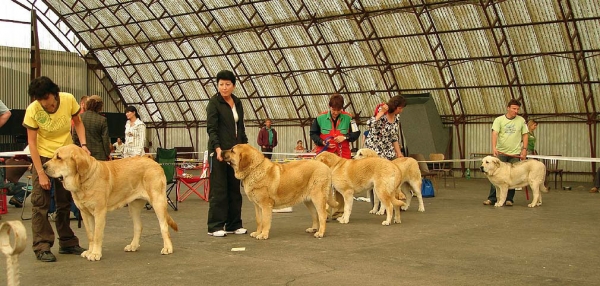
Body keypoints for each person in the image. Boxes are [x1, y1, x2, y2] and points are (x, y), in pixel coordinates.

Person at [23, 76, 89, 262]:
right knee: (40, 202)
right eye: (40, 101)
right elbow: (32, 143)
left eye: (47, 101)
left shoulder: (68, 99)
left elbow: (78, 122)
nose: (45, 105)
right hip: (43, 157)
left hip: (65, 156)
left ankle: (67, 242)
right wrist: (42, 173)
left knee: (65, 200)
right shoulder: (33, 110)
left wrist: (83, 144)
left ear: (54, 94)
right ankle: (42, 246)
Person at [206, 70, 248, 237]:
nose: (224, 87)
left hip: (235, 153)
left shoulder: (237, 102)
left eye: (227, 84)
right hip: (220, 152)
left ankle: (234, 224)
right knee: (219, 189)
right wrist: (217, 148)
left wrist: (245, 147)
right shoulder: (214, 103)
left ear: (234, 85)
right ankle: (215, 226)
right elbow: (212, 129)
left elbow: (241, 127)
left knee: (234, 188)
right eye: (221, 84)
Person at [483, 99, 528, 206]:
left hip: (515, 153)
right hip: (501, 153)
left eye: (517, 109)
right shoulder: (499, 120)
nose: (516, 111)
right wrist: (494, 147)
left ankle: (509, 199)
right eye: (513, 108)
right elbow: (495, 133)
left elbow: (525, 134)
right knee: (494, 176)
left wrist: (524, 149)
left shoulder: (521, 120)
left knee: (512, 177)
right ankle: (492, 198)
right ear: (508, 108)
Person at [309, 94, 360, 159]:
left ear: (342, 108)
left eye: (338, 110)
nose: (336, 112)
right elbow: (313, 134)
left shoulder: (349, 118)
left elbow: (356, 133)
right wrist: (322, 142)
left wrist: (345, 137)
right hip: (324, 156)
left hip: (343, 156)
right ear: (329, 106)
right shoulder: (320, 118)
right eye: (333, 110)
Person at [364, 95, 406, 160]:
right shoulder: (382, 112)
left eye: (402, 108)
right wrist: (381, 113)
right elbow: (369, 124)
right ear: (395, 107)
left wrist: (399, 153)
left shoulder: (397, 117)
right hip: (375, 149)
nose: (401, 110)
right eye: (400, 108)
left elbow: (394, 136)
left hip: (388, 150)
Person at [73, 95, 111, 161]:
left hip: (83, 154)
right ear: (100, 106)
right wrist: (108, 154)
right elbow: (105, 140)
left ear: (88, 104)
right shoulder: (102, 119)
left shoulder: (79, 117)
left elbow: (75, 137)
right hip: (99, 156)